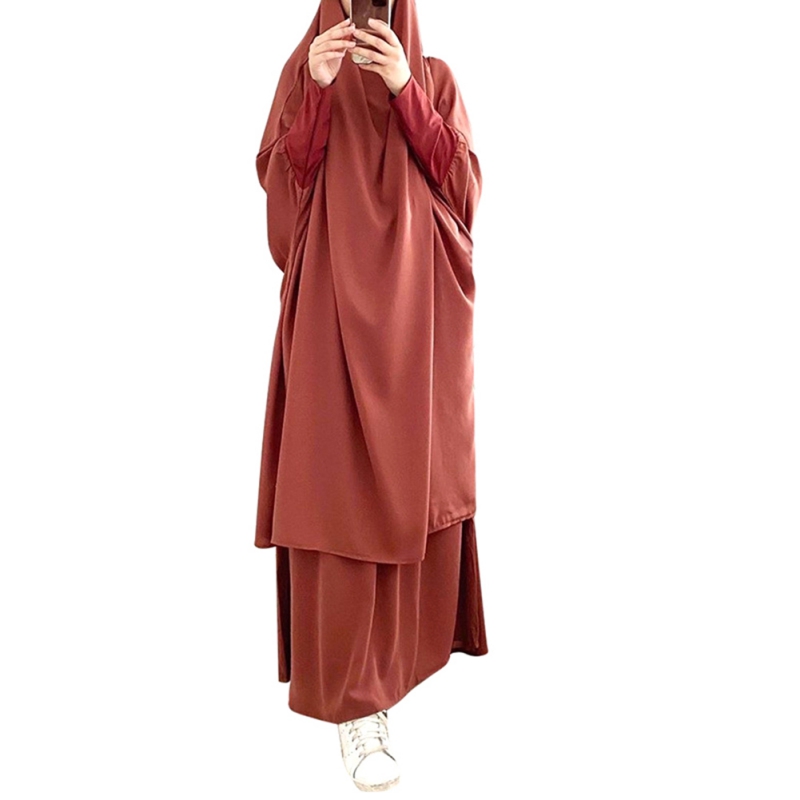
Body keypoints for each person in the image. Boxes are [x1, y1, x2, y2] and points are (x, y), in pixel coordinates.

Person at [254, 0, 488, 791]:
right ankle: (357, 707)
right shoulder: (303, 75)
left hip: (417, 329)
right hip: (330, 319)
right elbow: (284, 219)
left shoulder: (434, 78)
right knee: (337, 498)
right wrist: (318, 92)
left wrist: (404, 91)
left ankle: (398, 677)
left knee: (409, 491)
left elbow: (464, 198)